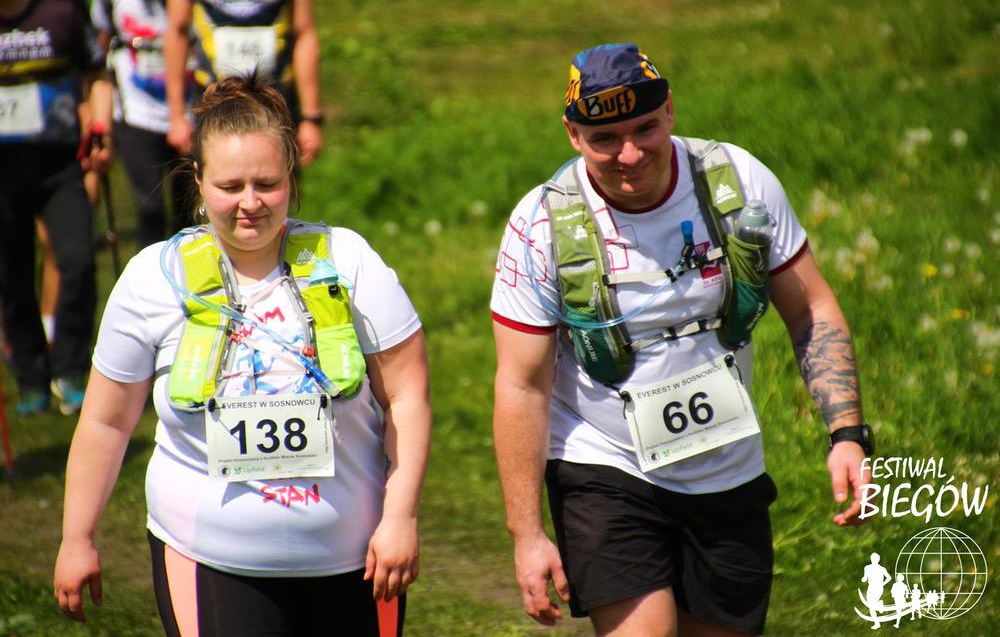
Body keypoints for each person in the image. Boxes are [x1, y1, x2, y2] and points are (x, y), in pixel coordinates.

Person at [491, 43, 874, 636]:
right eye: (604, 139)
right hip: (602, 462)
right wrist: (528, 534)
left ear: (670, 109)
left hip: (727, 464)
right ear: (573, 135)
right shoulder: (540, 225)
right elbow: (522, 385)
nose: (629, 154)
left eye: (645, 128)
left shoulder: (737, 181)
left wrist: (847, 434)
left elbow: (811, 312)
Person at [54, 73, 431, 635]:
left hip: (356, 561)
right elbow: (106, 422)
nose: (249, 204)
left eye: (267, 184)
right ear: (198, 179)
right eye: (230, 186)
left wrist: (400, 517)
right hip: (208, 558)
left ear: (291, 176)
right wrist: (76, 538)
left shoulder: (350, 261)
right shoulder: (152, 279)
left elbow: (408, 395)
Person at [0, 0, 109, 415]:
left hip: (61, 164)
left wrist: (101, 128)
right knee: (11, 274)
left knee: (78, 259)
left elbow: (96, 72)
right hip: (3, 173)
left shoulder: (62, 2)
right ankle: (31, 378)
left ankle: (70, 368)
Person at [163, 0, 323, 165]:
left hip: (275, 95)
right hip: (213, 93)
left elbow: (304, 33)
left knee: (274, 173)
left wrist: (310, 117)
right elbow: (177, 32)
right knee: (219, 173)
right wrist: (177, 116)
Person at [90, 0, 196, 248]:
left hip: (189, 114)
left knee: (189, 211)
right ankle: (150, 269)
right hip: (134, 114)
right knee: (150, 208)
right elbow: (98, 47)